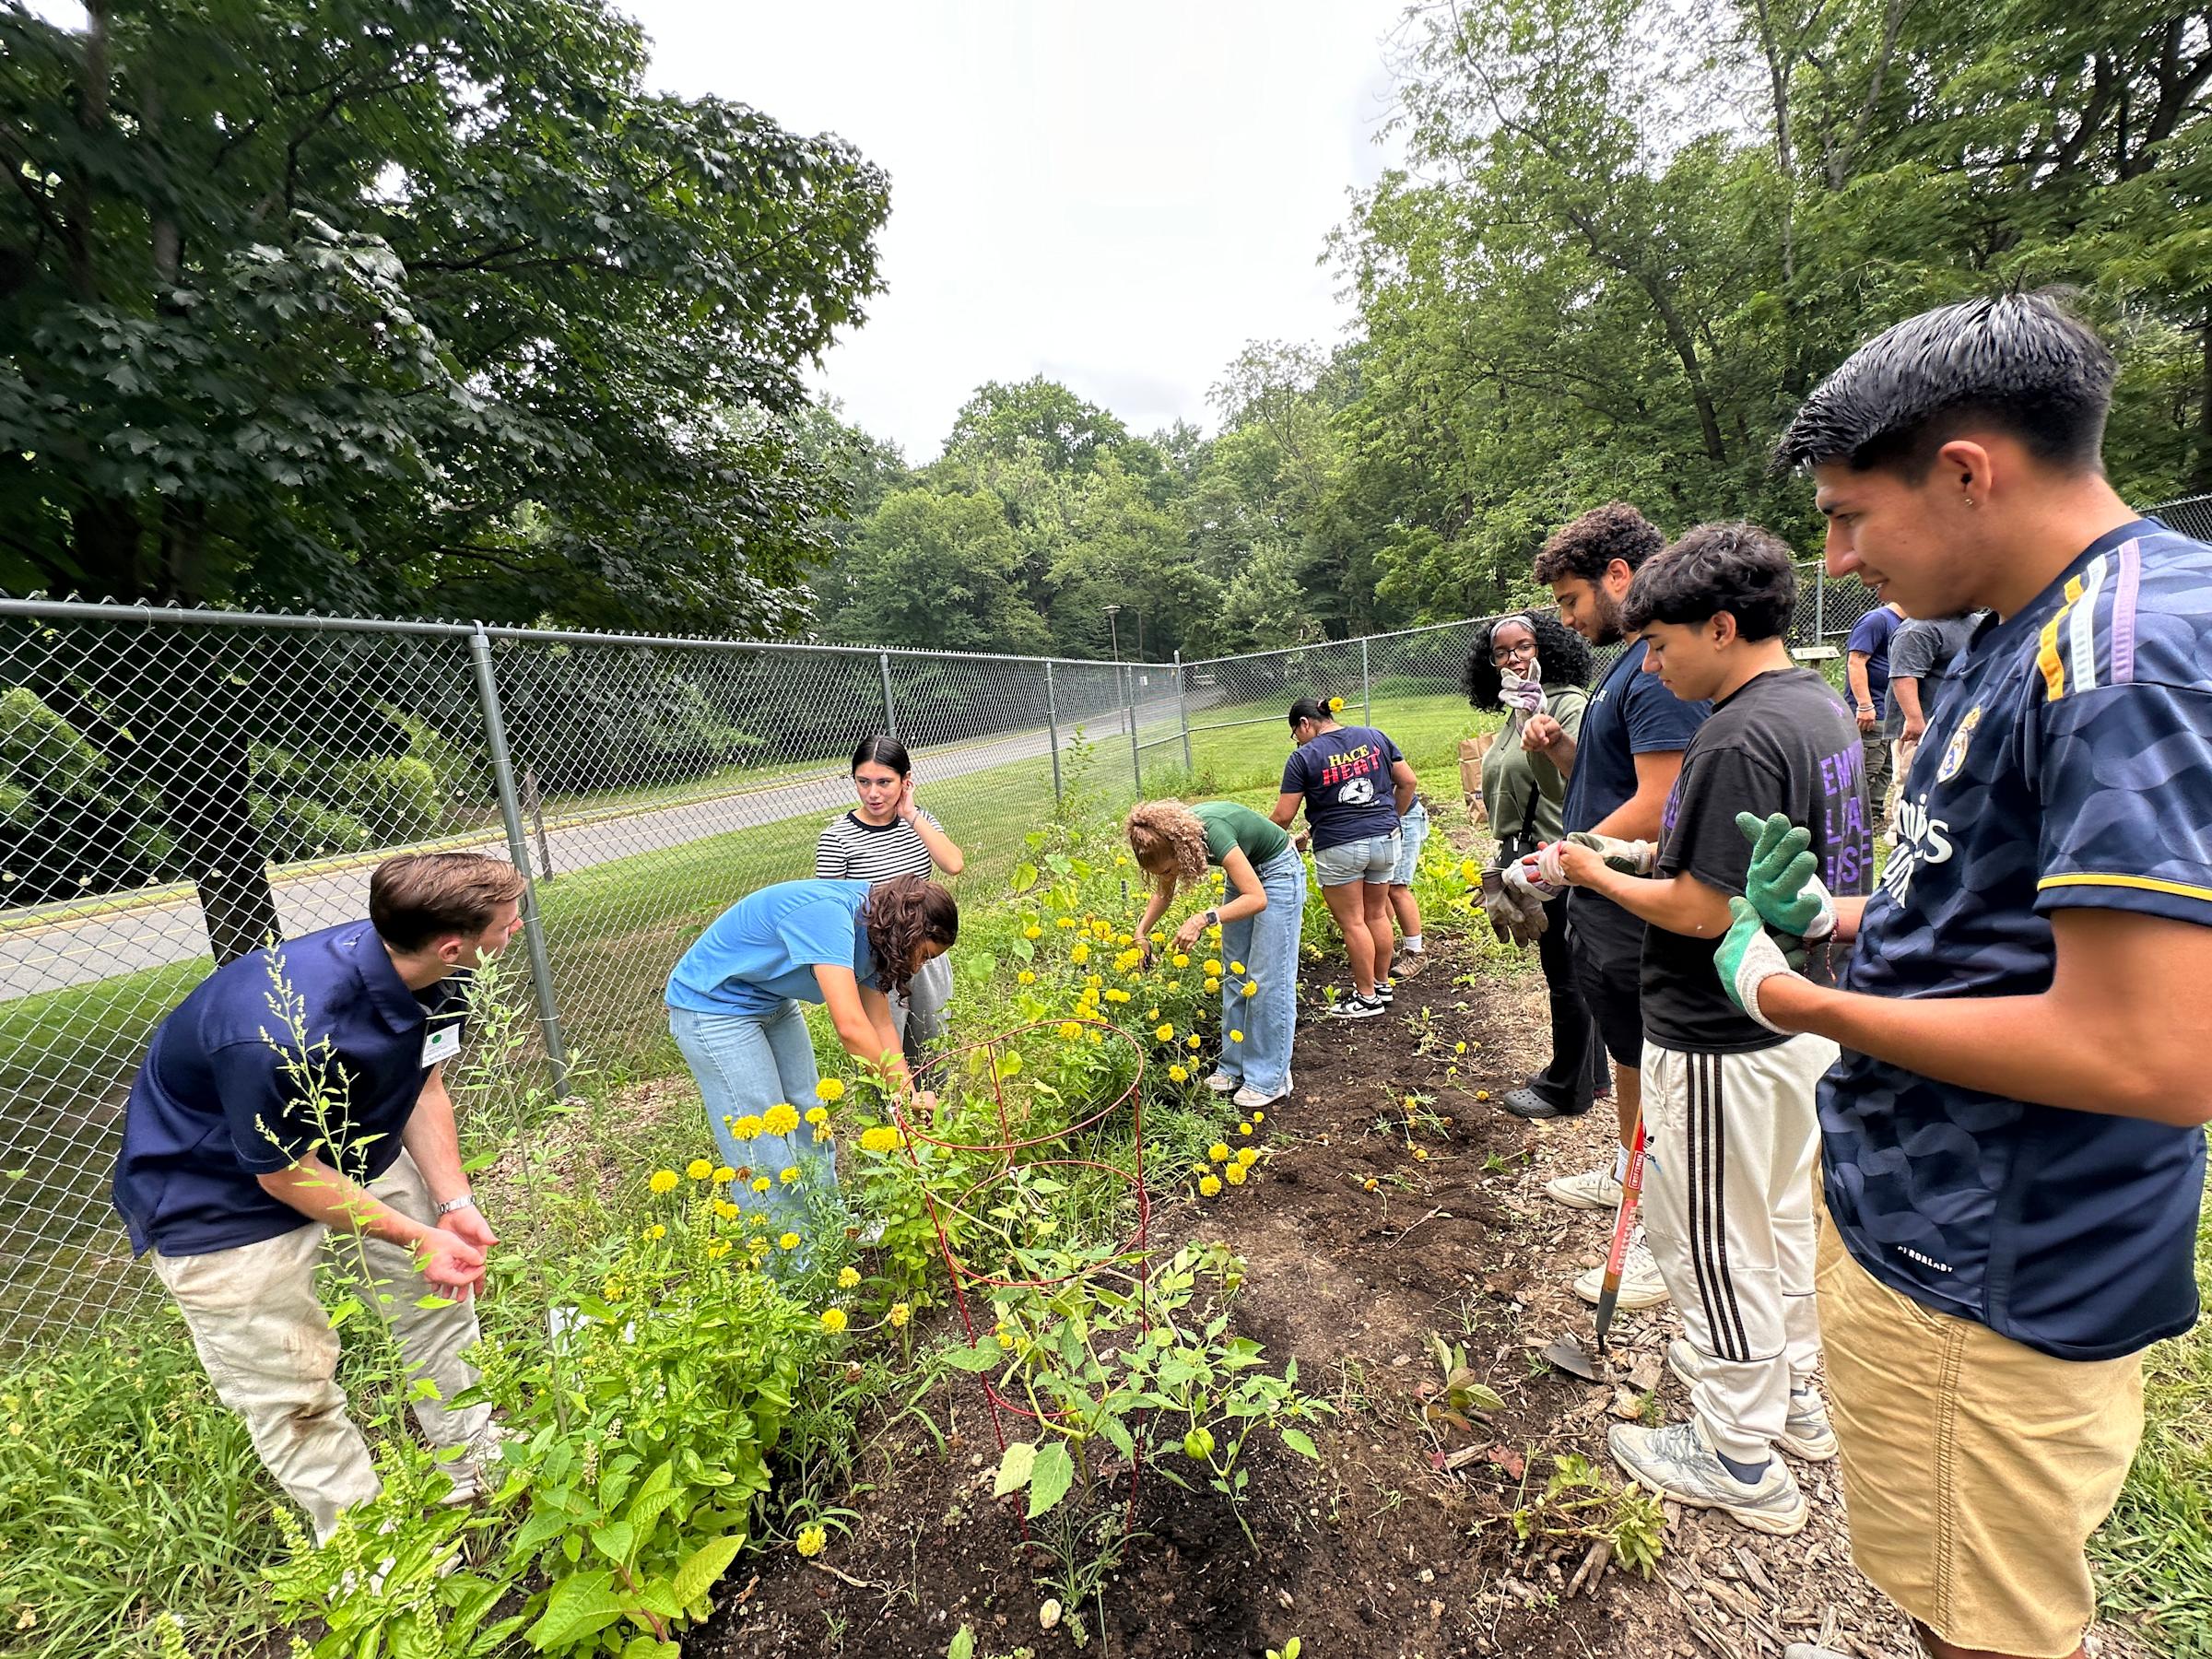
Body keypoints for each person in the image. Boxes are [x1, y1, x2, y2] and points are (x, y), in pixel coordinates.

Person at [1718, 291, 2212, 1659]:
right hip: (1942, 1221)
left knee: (1984, 1620)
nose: (1835, 552)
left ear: (1966, 472)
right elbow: (2009, 906)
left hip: (1990, 1262)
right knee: (1948, 1576)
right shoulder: (2023, 628)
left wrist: (1806, 1003)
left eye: (1849, 513)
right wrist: (1847, 912)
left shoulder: (2125, 658)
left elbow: (2154, 1053)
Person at [1552, 523, 1870, 1537]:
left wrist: (1594, 871)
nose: (1651, 661)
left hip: (1723, 1032)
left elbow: (1700, 909)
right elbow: (1745, 880)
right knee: (1776, 1219)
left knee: (1710, 1241)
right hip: (1799, 1010)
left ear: (1722, 627)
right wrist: (1633, 857)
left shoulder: (1734, 734)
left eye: (1663, 643)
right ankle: (1798, 1401)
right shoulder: (1816, 707)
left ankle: (1736, 1453)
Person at [110, 853, 528, 1544]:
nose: (516, 929)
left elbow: (423, 1088)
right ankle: (373, 1552)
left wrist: (451, 1205)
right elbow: (280, 1174)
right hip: (217, 1197)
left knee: (439, 1303)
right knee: (294, 1387)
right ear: (456, 942)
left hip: (354, 1147)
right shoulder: (276, 1032)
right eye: (509, 923)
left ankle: (471, 1457)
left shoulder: (441, 975)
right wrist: (416, 1235)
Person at [1524, 504, 1711, 1310]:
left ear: (1619, 577)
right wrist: (1563, 749)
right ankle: (1629, 1172)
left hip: (1632, 902)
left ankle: (1659, 1226)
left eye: (1570, 600)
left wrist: (1562, 860)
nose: (1567, 618)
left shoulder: (1657, 674)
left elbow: (1663, 803)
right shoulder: (1628, 664)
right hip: (1604, 899)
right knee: (1632, 1052)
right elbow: (1616, 783)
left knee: (1664, 1067)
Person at [667, 875, 957, 1239]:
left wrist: (908, 1097)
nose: (917, 969)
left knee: (809, 1119)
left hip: (769, 1001)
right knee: (763, 1139)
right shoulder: (830, 916)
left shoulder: (880, 932)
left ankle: (830, 1236)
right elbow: (851, 1027)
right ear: (909, 933)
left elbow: (880, 1025)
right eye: (925, 956)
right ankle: (790, 1267)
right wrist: (899, 1094)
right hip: (714, 1008)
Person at [1461, 610, 1609, 1118]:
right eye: (1501, 653)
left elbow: (1571, 785)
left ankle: (1565, 1088)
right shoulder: (1513, 713)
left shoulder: (1566, 705)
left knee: (1566, 973)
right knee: (1569, 966)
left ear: (1545, 646)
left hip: (1557, 854)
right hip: (1524, 850)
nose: (1513, 660)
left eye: (1522, 647)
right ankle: (1594, 1074)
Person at [1127, 799, 1307, 1109]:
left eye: (1170, 868)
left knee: (1267, 978)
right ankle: (1233, 1068)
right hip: (1247, 876)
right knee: (1235, 971)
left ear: (1179, 848)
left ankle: (1269, 1078)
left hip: (1277, 874)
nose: (1169, 875)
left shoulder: (1214, 834)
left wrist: (1204, 918)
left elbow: (1257, 898)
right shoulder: (1172, 840)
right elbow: (1163, 891)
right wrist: (1140, 932)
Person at [816, 735, 966, 1065]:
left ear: (906, 780)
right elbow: (827, 912)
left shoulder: (919, 822)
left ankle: (933, 1113)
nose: (873, 793)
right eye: (863, 782)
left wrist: (911, 815)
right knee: (883, 1055)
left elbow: (953, 864)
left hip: (925, 953)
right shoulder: (837, 836)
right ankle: (889, 1114)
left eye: (885, 782)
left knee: (932, 1046)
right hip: (876, 961)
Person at [1271, 696, 1419, 1018]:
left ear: (1305, 724)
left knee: (1353, 922)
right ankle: (1381, 985)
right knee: (1377, 915)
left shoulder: (1304, 757)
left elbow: (1284, 815)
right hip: (1385, 839)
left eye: (1295, 734)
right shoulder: (1374, 736)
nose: (1297, 741)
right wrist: (1391, 817)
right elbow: (1407, 781)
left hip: (1339, 845)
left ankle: (1366, 998)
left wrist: (1261, 838)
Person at [1882, 610, 1981, 830]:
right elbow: (1903, 676)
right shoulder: (1918, 628)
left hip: (1957, 726)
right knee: (1912, 787)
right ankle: (1902, 843)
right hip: (1920, 728)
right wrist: (1915, 721)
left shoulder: (1975, 622)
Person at [1844, 600, 1904, 820]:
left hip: (1891, 710)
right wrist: (1865, 704)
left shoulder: (1903, 622)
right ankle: (1854, 819)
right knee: (1869, 766)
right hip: (1871, 710)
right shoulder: (1877, 620)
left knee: (1887, 767)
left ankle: (1874, 815)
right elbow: (1855, 662)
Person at [1384, 790, 1430, 982]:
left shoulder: (1386, 758)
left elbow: (1408, 781)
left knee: (1396, 888)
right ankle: (1383, 948)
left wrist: (1393, 817)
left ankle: (1416, 953)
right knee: (1381, 887)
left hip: (1402, 817)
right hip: (1386, 818)